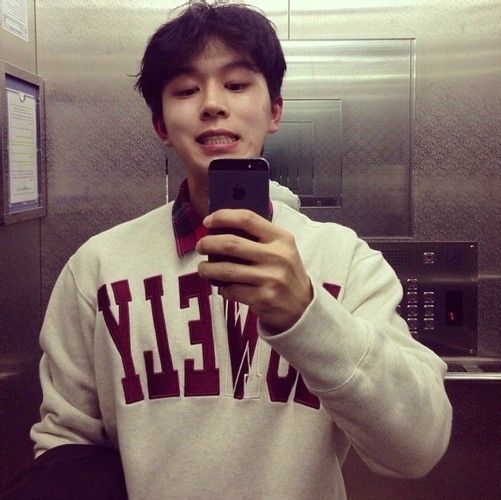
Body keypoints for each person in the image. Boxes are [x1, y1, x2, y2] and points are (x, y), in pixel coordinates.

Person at [3, 2, 452, 499]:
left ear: (275, 110)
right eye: (186, 90)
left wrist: (307, 315)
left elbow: (418, 448)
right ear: (160, 124)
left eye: (237, 84)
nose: (213, 104)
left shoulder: (345, 261)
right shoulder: (98, 268)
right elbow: (66, 448)